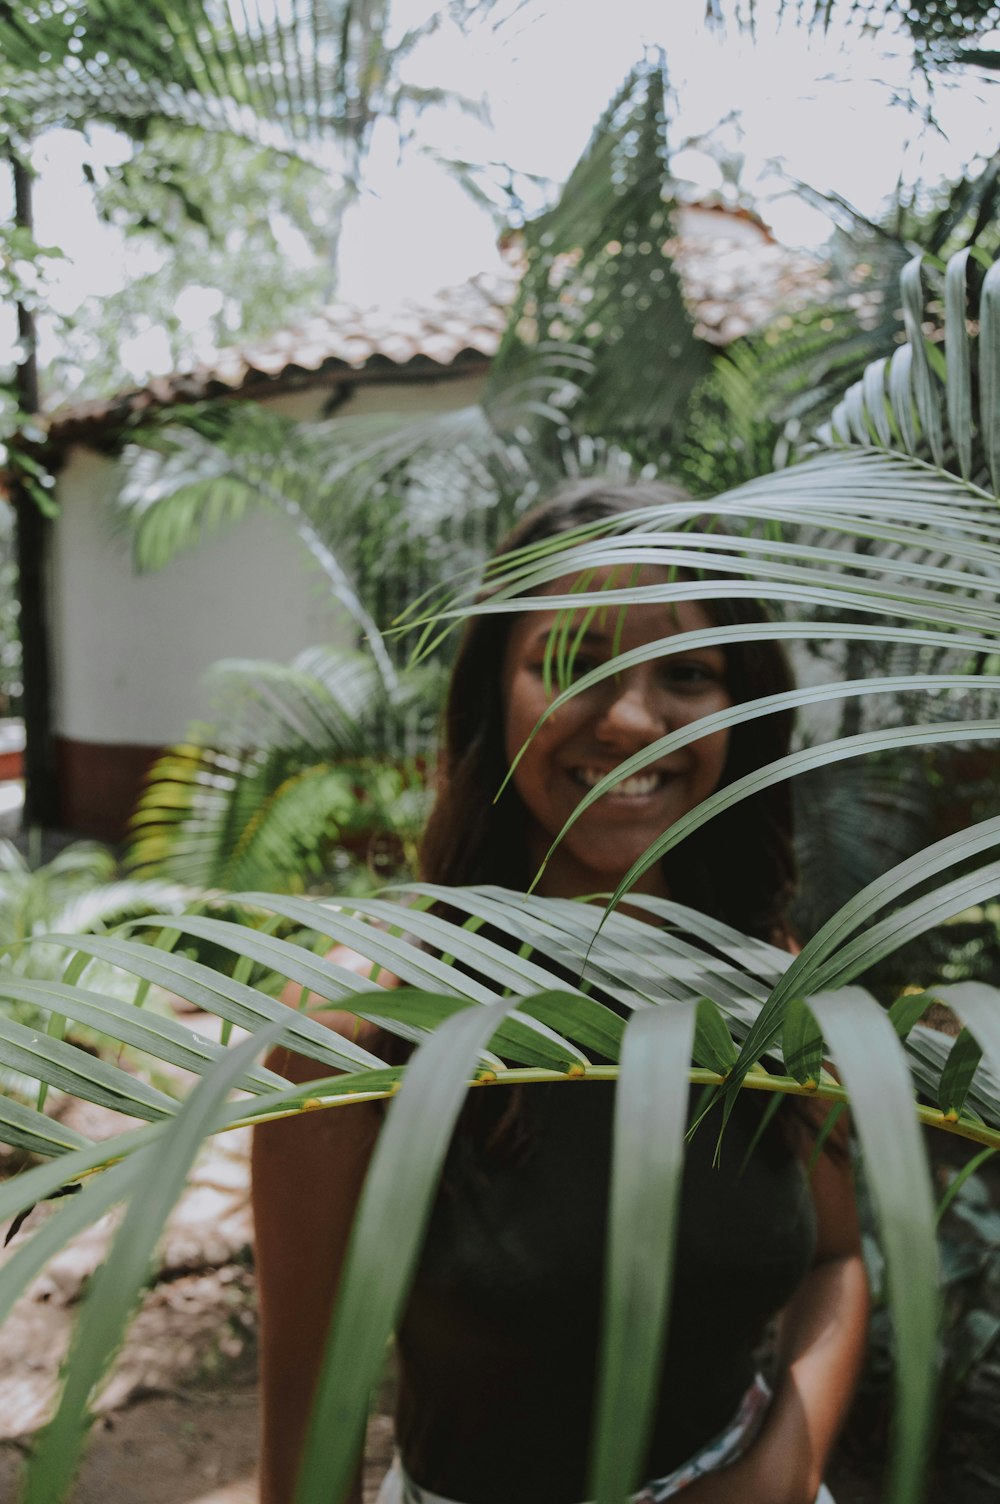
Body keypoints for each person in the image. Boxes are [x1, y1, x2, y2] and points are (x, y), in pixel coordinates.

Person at [252, 480, 869, 1504]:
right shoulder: (364, 1021)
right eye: (575, 664)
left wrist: (781, 1463)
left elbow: (834, 1263)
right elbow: (306, 1453)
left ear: (741, 704)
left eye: (686, 672)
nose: (632, 718)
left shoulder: (767, 971)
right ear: (497, 695)